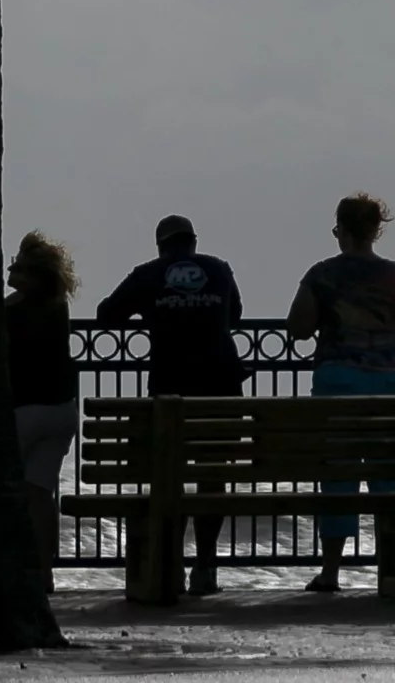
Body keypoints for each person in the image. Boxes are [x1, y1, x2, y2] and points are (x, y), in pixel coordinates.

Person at [97, 214, 245, 593]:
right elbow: (236, 315)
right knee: (214, 474)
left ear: (161, 245)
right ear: (193, 242)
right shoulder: (219, 269)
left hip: (170, 389)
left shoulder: (147, 274)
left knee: (170, 474)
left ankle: (172, 564)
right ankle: (206, 566)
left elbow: (107, 315)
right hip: (221, 383)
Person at [286, 192, 395, 595]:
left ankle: (331, 571)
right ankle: (392, 572)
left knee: (339, 476)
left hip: (338, 380)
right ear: (377, 230)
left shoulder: (322, 274)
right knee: (388, 477)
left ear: (342, 230)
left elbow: (297, 327)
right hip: (390, 384)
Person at [0, 232, 80, 595]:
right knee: (40, 494)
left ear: (32, 274)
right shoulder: (57, 305)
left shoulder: (12, 311)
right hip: (61, 409)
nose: (11, 269)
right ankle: (44, 572)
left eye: (18, 266)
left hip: (23, 411)